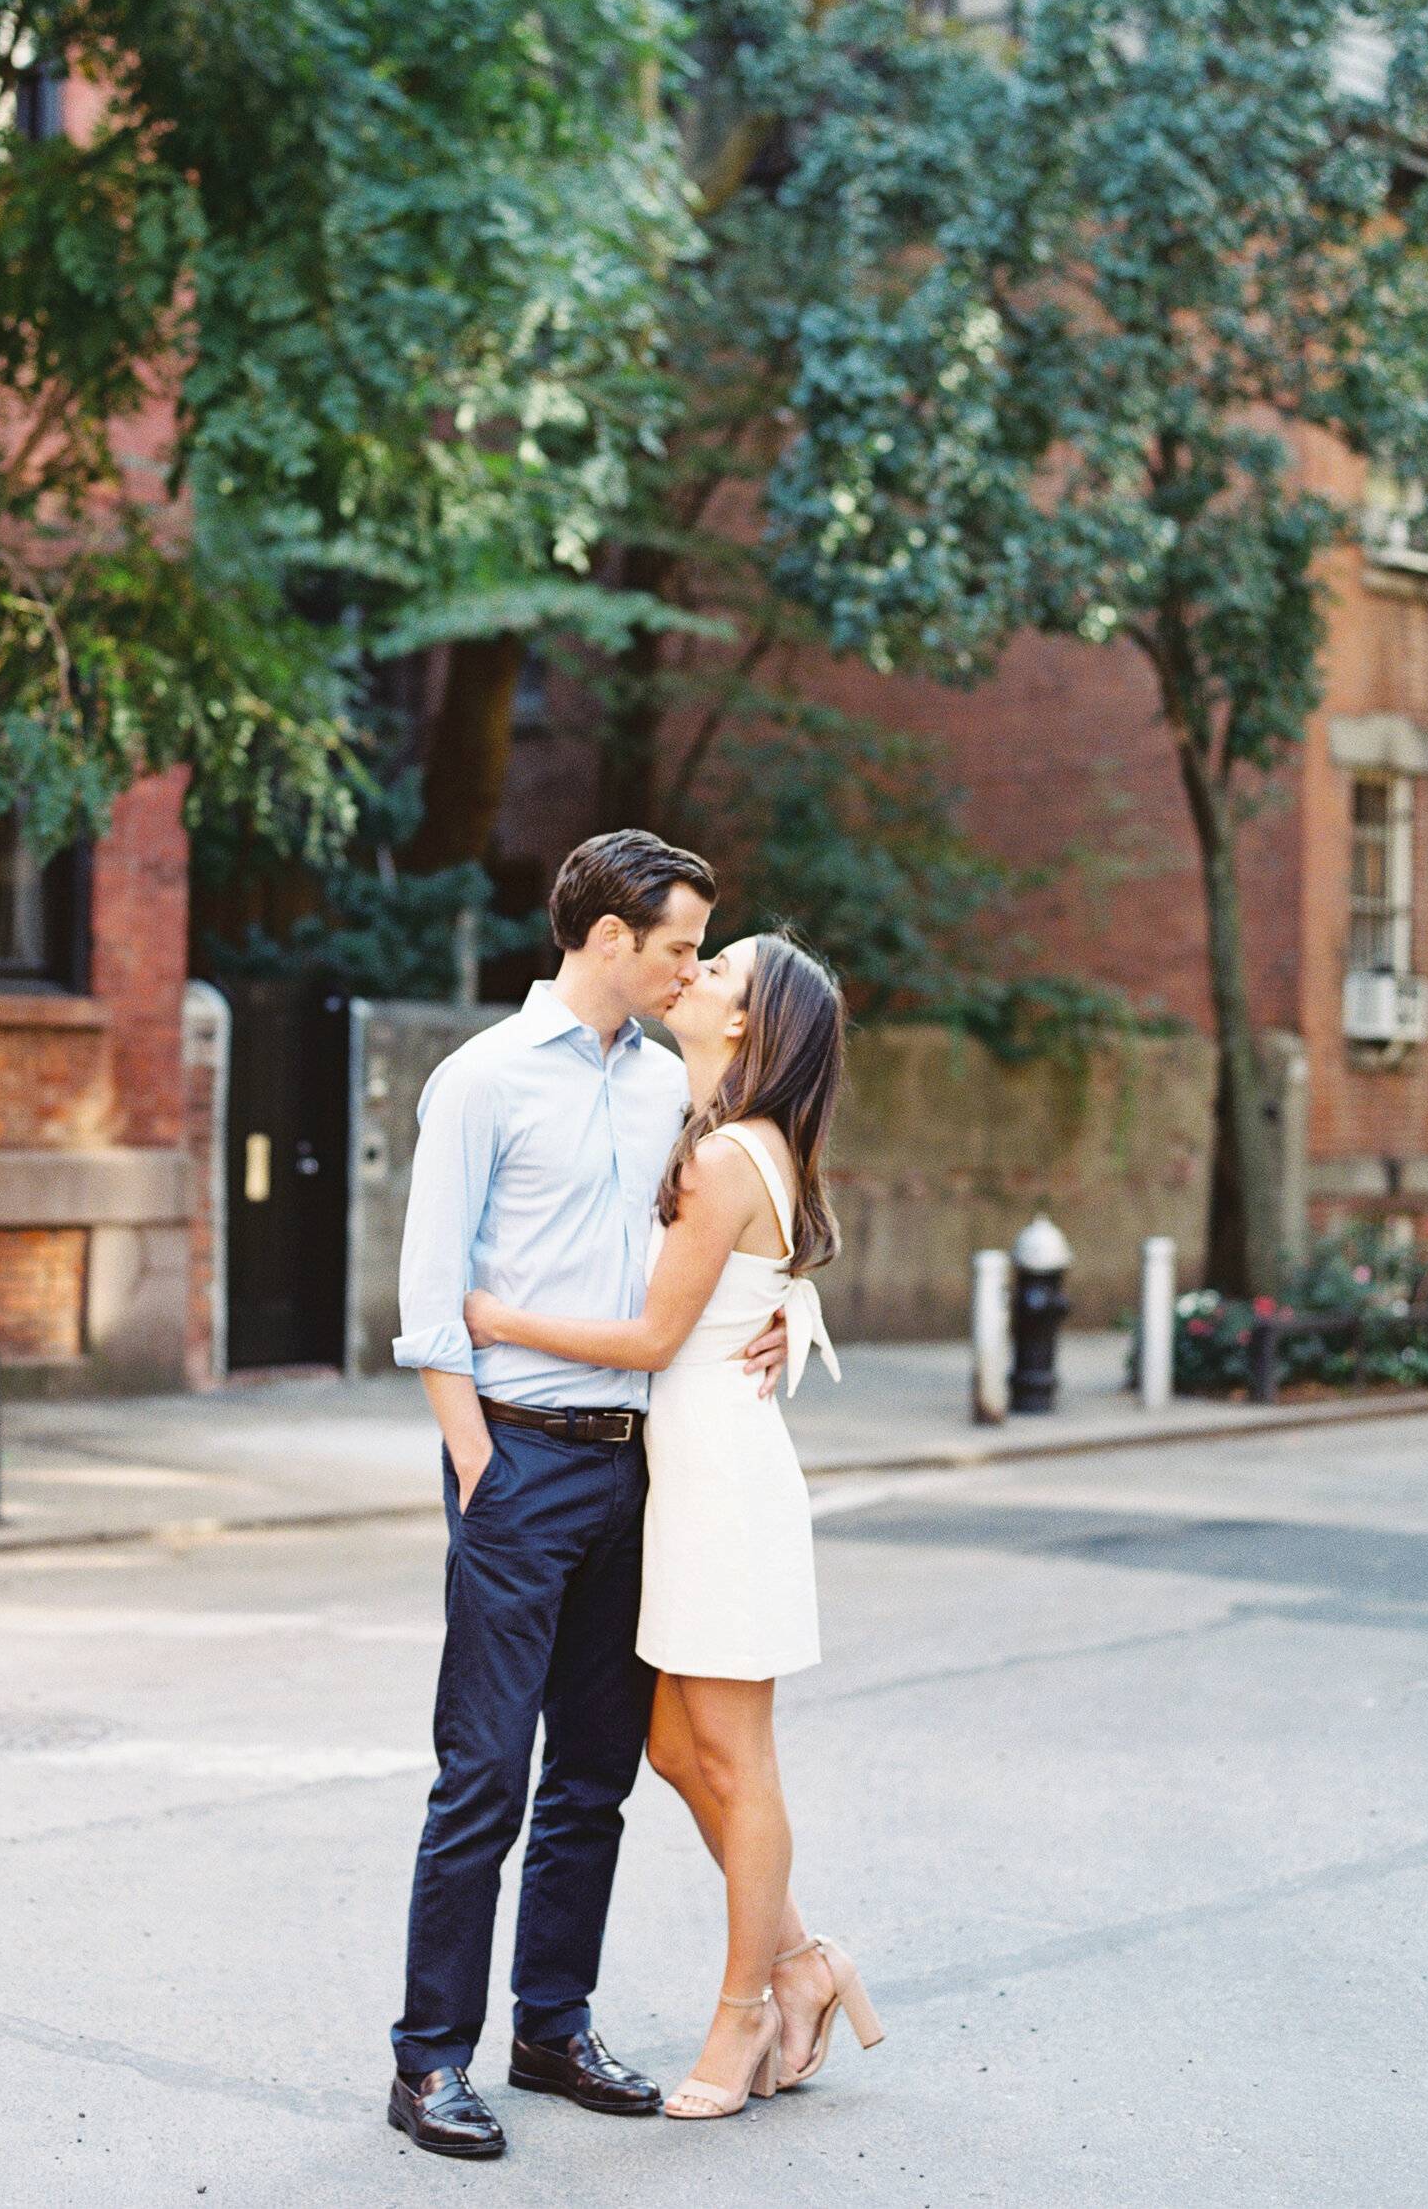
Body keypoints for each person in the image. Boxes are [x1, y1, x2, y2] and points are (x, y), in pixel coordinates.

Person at [386, 830, 788, 2161]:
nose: (689, 967)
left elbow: (744, 1225)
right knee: (486, 1772)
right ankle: (429, 2060)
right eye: (678, 944)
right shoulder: (482, 1080)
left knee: (593, 1777)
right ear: (608, 939)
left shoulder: (669, 1087)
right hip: (517, 1454)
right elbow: (430, 1289)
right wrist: (472, 1453)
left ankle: (549, 2029)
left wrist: (788, 1314)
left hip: (641, 1464)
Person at [464, 930, 883, 2122]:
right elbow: (754, 1272)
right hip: (684, 1478)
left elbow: (651, 1339)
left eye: (718, 972)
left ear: (746, 1026)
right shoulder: (720, 1141)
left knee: (738, 1764)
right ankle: (805, 1957)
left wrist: (500, 1314)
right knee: (671, 1749)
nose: (690, 975)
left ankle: (747, 2011)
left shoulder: (722, 1159)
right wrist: (792, 1301)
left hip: (718, 1483)